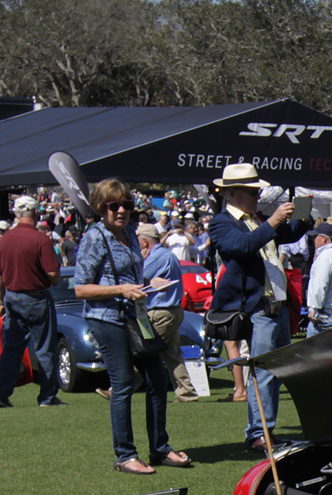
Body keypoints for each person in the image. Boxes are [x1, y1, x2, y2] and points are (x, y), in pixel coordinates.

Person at [74, 178, 190, 475]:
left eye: (127, 205)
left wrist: (150, 283)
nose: (122, 211)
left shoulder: (129, 233)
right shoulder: (95, 237)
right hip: (106, 319)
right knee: (124, 383)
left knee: (157, 379)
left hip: (135, 317)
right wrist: (121, 289)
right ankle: (125, 454)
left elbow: (128, 279)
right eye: (115, 206)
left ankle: (160, 448)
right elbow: (81, 289)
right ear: (102, 207)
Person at [207, 163, 310, 449]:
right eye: (252, 192)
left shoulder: (259, 218)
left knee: (276, 372)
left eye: (258, 190)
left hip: (275, 304)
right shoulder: (222, 222)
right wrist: (274, 221)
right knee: (263, 372)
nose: (257, 196)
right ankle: (258, 434)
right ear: (232, 194)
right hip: (256, 309)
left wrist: (301, 212)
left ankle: (266, 431)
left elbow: (290, 234)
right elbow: (242, 246)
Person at [0, 196, 63, 407]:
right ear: (36, 213)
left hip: (12, 296)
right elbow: (53, 274)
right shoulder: (40, 240)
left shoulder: (4, 240)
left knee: (11, 349)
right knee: (44, 348)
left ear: (16, 214)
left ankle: (1, 394)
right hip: (36, 296)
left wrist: (1, 301)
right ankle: (47, 396)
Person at [136, 223, 197, 402]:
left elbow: (137, 278)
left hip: (160, 311)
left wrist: (139, 261)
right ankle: (187, 392)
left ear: (145, 242)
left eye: (137, 240)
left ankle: (120, 386)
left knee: (145, 349)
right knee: (172, 355)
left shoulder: (157, 257)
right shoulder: (167, 255)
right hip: (171, 310)